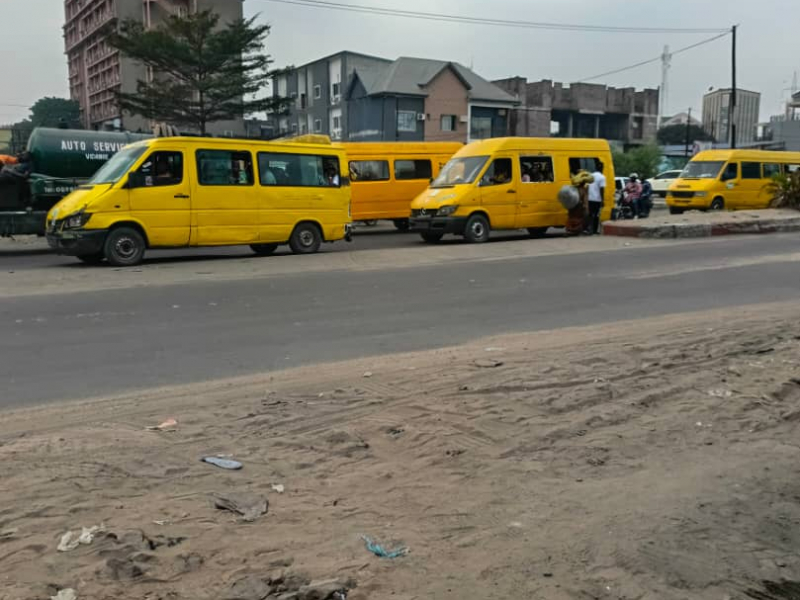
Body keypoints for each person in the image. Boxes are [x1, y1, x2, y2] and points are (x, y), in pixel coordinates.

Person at [565, 170, 594, 236]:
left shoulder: (573, 188)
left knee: (571, 217)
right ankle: (576, 230)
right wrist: (586, 208)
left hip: (573, 206)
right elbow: (585, 200)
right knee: (579, 218)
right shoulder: (583, 189)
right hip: (579, 207)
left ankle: (570, 230)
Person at [585, 160, 607, 235]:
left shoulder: (591, 176)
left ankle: (589, 229)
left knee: (590, 214)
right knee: (597, 215)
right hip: (597, 199)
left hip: (590, 198)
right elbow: (602, 189)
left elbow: (587, 187)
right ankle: (594, 230)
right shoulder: (602, 177)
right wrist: (602, 200)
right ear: (602, 168)